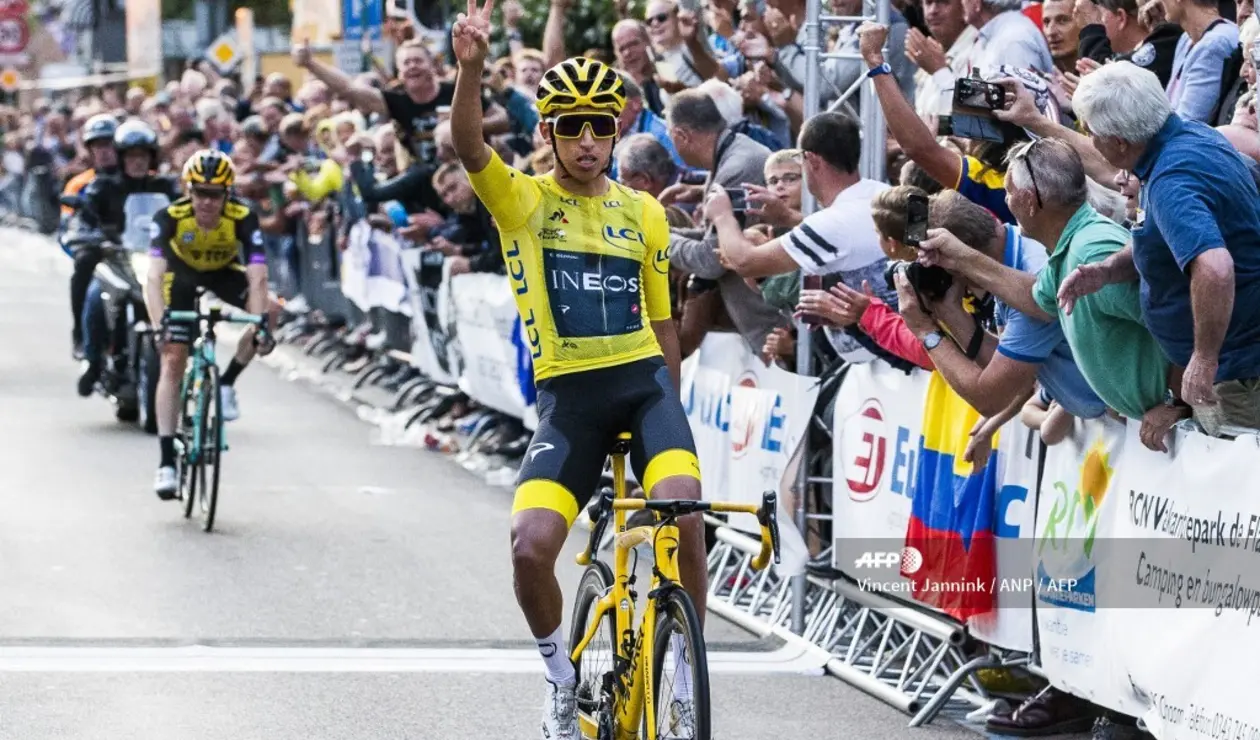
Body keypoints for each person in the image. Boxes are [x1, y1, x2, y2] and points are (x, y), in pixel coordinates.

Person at [448, 4, 705, 738]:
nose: (589, 141)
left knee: (685, 508)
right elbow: (468, 145)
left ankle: (685, 671)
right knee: (530, 547)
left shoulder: (646, 213)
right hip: (571, 399)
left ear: (617, 131)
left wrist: (673, 408)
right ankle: (561, 674)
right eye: (571, 126)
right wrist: (470, 69)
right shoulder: (524, 204)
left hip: (645, 386)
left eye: (601, 126)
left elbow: (662, 325)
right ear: (547, 134)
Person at [1067, 62, 1260, 434]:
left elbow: (1215, 267)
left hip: (1239, 377)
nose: (1090, 141)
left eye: (1091, 133)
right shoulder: (1195, 136)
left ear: (1120, 142)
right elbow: (1165, 240)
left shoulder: (1172, 180)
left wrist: (1204, 359)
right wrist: (1107, 270)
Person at [145, 150, 278, 499]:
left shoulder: (242, 217)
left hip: (222, 274)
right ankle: (166, 464)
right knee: (173, 358)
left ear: (227, 194)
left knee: (272, 308)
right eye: (200, 192)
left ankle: (227, 383)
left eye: (215, 194)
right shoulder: (169, 217)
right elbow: (153, 279)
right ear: (188, 191)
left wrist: (260, 324)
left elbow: (258, 277)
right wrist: (160, 324)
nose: (207, 201)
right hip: (181, 277)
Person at [75, 121, 183, 393]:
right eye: (132, 156)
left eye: (143, 156)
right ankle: (92, 359)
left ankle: (185, 360)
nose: (137, 162)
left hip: (156, 261)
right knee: (95, 297)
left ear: (151, 158)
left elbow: (185, 214)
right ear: (122, 157)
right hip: (117, 261)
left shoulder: (167, 186)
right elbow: (85, 219)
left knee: (186, 297)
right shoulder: (102, 187)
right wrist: (91, 234)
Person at [63, 113, 119, 358]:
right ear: (90, 150)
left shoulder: (133, 177)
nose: (105, 151)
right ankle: (80, 333)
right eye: (98, 145)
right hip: (95, 248)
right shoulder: (78, 185)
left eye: (109, 144)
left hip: (129, 249)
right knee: (83, 264)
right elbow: (67, 228)